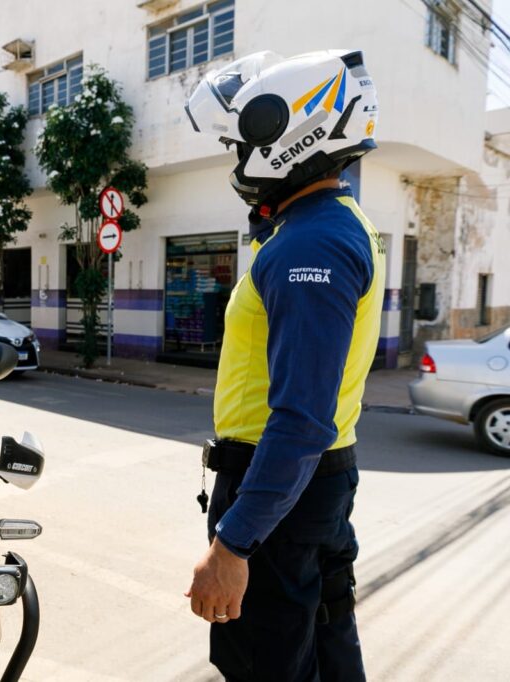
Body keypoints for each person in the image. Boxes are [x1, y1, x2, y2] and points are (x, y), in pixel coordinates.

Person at [182, 50, 384, 681]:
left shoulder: (310, 243)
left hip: (279, 491)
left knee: (268, 665)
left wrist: (234, 543)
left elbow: (300, 417)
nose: (237, 159)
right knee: (324, 644)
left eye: (239, 143)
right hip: (306, 486)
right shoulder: (329, 225)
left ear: (286, 133)